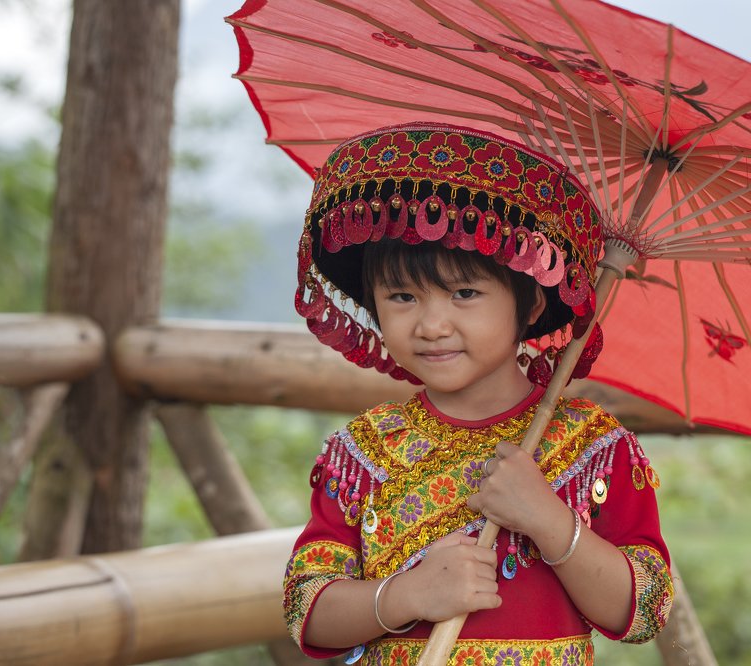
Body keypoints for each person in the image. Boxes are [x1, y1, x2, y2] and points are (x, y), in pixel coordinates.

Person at [284, 122, 672, 664]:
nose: (432, 325)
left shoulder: (594, 448)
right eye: (402, 297)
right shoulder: (363, 452)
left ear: (531, 305)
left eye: (464, 293)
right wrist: (405, 595)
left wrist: (548, 519)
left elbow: (643, 610)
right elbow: (307, 610)